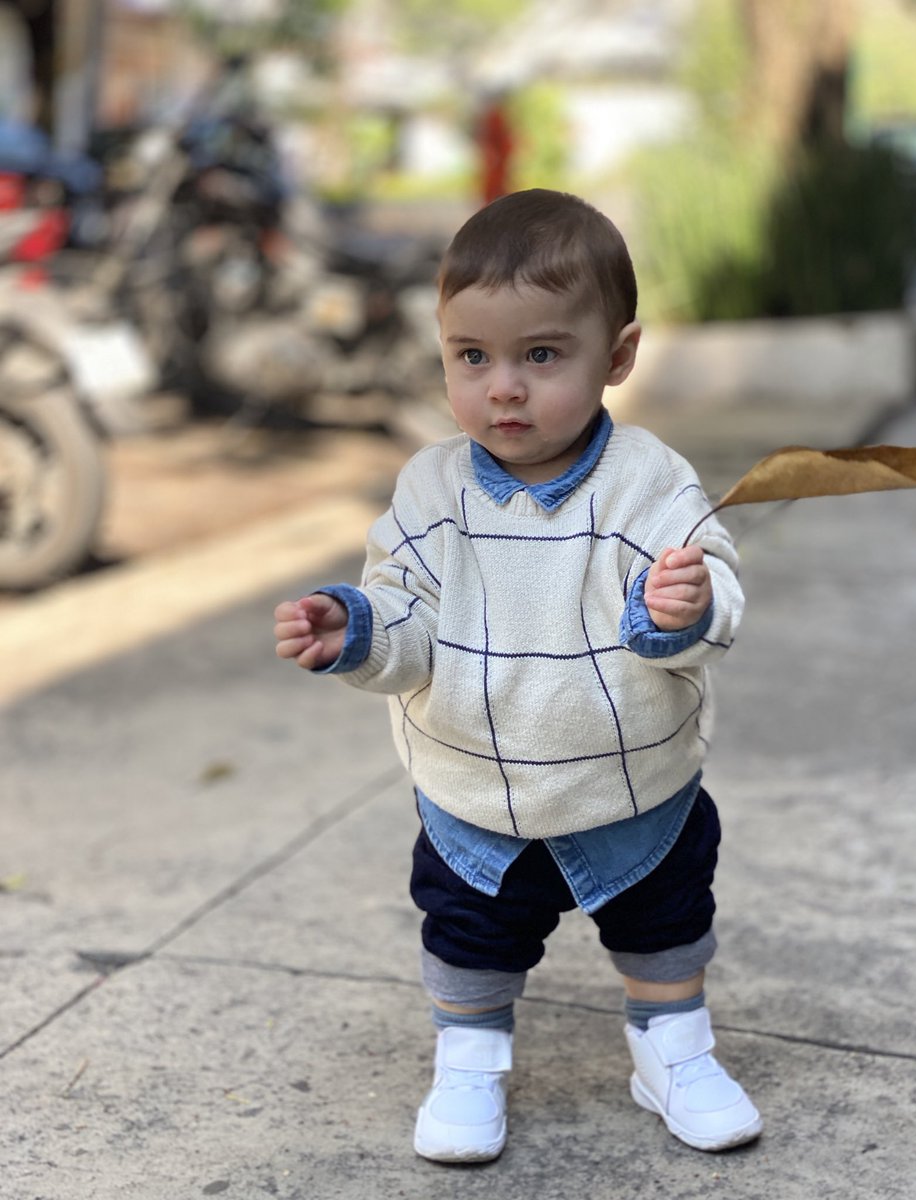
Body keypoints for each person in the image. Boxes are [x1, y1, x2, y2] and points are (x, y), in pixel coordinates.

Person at [273, 188, 761, 1163]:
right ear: (444, 349)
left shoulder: (649, 480)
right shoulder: (431, 489)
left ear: (616, 356)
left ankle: (673, 1048)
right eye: (472, 357)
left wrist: (686, 607)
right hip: (476, 786)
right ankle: (468, 1061)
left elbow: (714, 591)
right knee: (468, 931)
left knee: (665, 920)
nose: (503, 388)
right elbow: (405, 608)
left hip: (630, 776)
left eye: (541, 355)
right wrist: (358, 630)